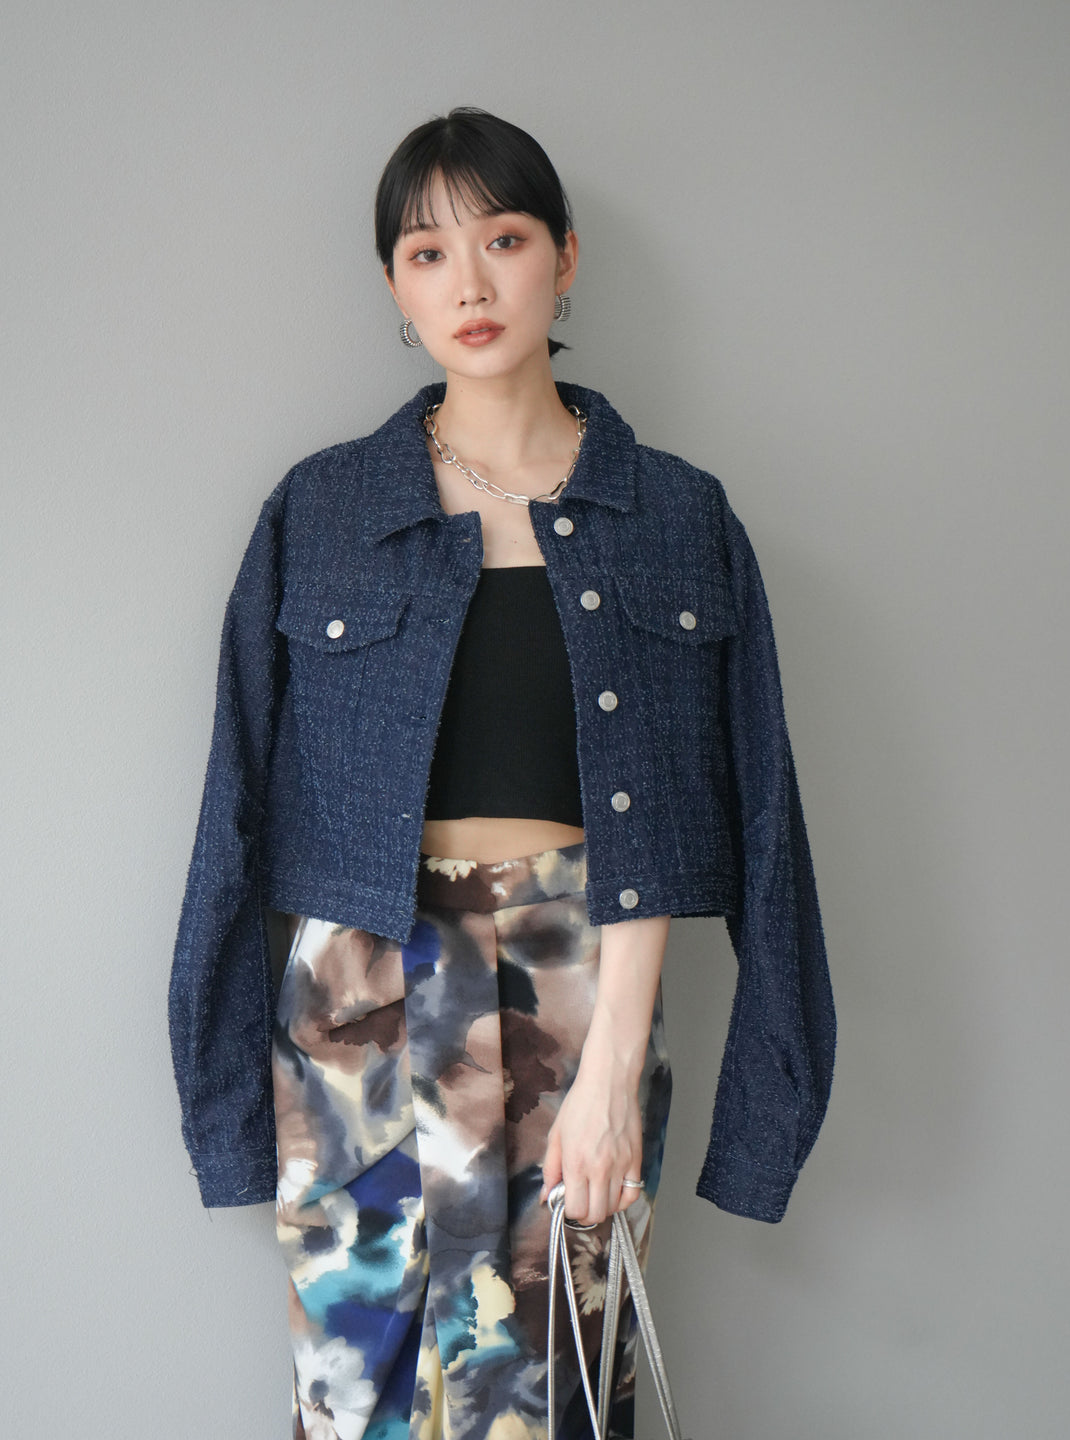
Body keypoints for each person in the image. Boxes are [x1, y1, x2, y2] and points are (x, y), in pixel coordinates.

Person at [168, 106, 836, 1440]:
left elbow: (742, 817)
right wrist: (224, 1098)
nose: (469, 285)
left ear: (565, 258)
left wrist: (617, 1068)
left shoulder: (674, 514)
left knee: (552, 1390)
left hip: (576, 991)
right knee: (356, 1405)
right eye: (427, 253)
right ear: (394, 285)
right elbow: (233, 809)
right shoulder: (323, 510)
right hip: (353, 1003)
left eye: (506, 240)